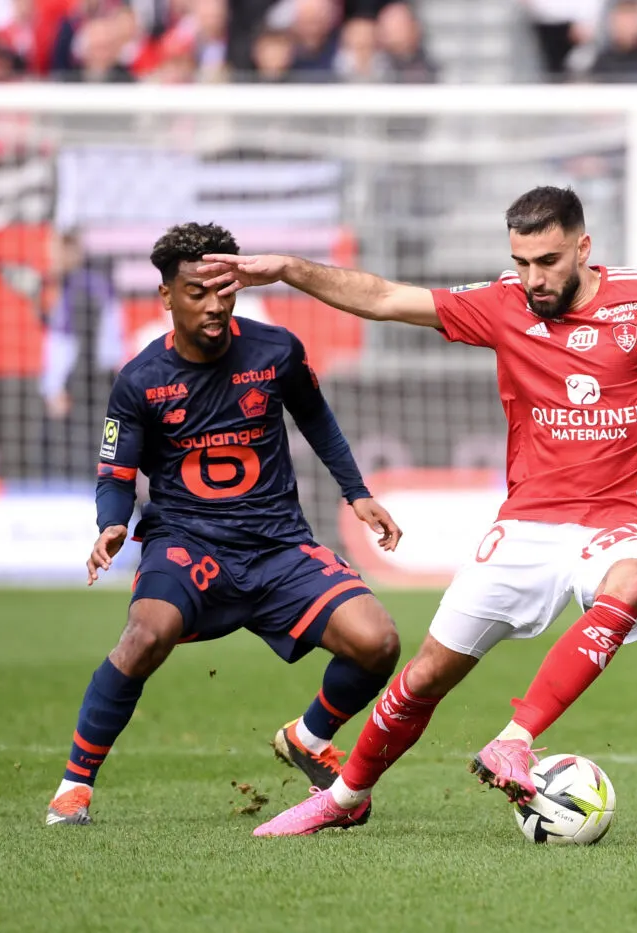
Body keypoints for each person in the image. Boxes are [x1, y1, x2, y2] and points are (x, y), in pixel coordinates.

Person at [200, 187, 637, 836]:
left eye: (548, 261)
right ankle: (345, 797)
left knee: (632, 584)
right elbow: (387, 299)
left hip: (626, 519)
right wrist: (289, 269)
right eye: (521, 261)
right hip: (529, 522)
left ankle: (516, 737)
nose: (533, 278)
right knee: (425, 675)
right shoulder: (503, 303)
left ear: (583, 248)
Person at [46, 222, 404, 826]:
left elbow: (317, 418)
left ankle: (308, 738)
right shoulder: (139, 380)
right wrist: (111, 524)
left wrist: (357, 492)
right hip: (187, 544)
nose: (214, 306)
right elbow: (115, 474)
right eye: (196, 293)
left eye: (224, 290)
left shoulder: (276, 350)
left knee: (379, 643)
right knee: (143, 637)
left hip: (277, 546)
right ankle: (73, 786)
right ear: (166, 297)